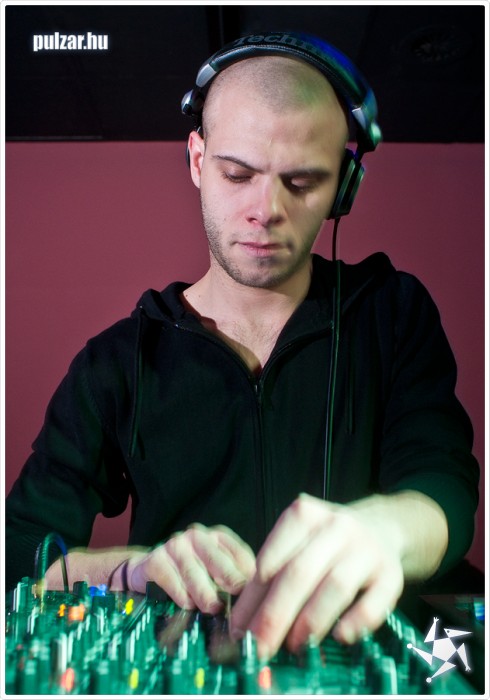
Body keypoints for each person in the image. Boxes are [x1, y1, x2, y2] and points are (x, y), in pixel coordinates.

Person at [6, 32, 479, 661]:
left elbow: (445, 490)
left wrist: (386, 531)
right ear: (197, 161)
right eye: (238, 174)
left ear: (345, 186)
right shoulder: (114, 363)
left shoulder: (393, 313)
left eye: (302, 181)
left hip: (381, 648)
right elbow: (21, 552)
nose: (266, 210)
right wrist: (134, 570)